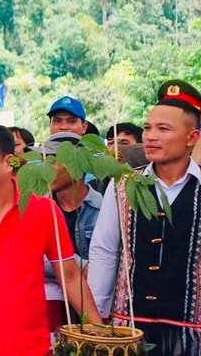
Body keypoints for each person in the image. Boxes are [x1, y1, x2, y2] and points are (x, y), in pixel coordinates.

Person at [0, 123, 101, 356]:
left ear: (9, 162)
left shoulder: (43, 209)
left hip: (33, 348)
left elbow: (70, 276)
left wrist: (98, 330)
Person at [89, 80, 201, 355]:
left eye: (163, 129)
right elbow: (104, 250)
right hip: (129, 324)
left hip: (190, 327)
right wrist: (97, 318)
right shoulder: (124, 184)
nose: (151, 136)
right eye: (148, 128)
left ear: (192, 137)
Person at [36, 132, 104, 331]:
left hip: (97, 307)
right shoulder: (38, 208)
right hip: (51, 309)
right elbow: (34, 255)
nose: (46, 169)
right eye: (43, 161)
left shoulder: (106, 207)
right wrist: (80, 266)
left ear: (78, 165)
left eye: (54, 162)